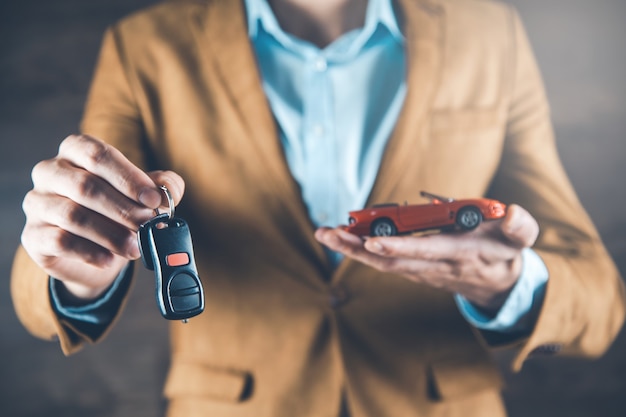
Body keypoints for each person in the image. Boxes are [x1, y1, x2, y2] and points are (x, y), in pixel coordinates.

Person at [10, 0, 626, 416]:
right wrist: (78, 268)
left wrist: (514, 285)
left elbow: (599, 303)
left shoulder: (489, 32)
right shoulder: (146, 46)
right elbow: (58, 258)